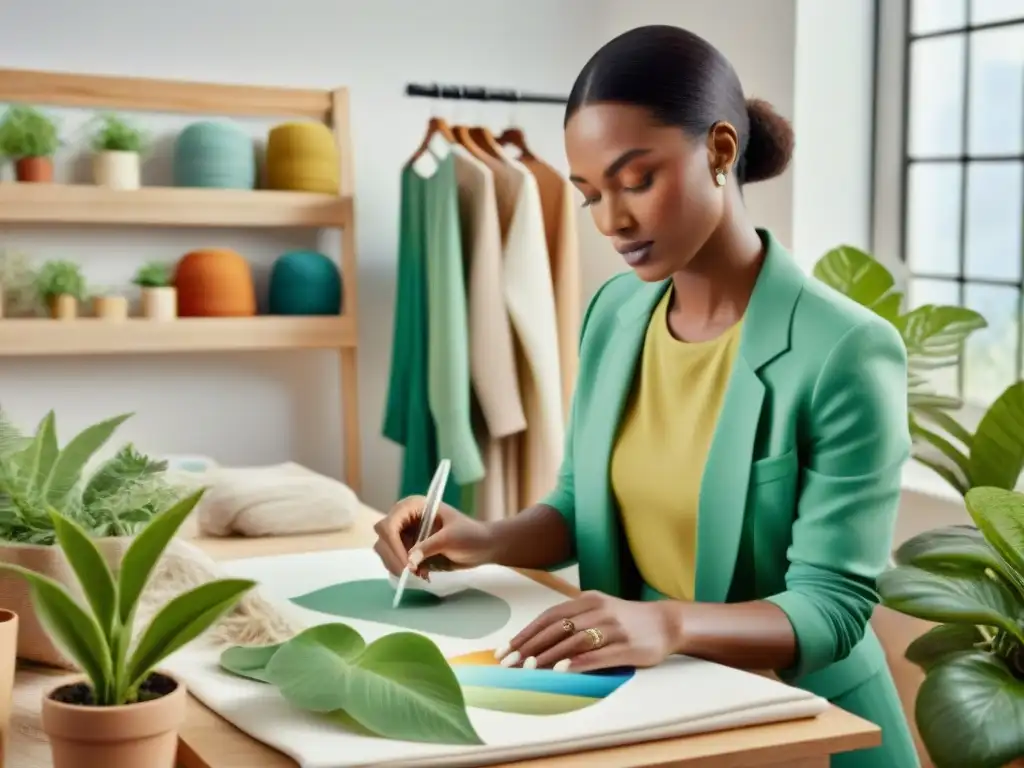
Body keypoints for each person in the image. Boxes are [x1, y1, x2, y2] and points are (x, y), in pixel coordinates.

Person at [373, 24, 919, 768]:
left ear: (721, 151)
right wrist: (483, 540)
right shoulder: (615, 315)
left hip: (808, 730)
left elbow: (832, 609)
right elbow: (579, 506)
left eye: (636, 181)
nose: (611, 221)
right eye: (591, 193)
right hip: (656, 716)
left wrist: (666, 624)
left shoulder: (844, 351)